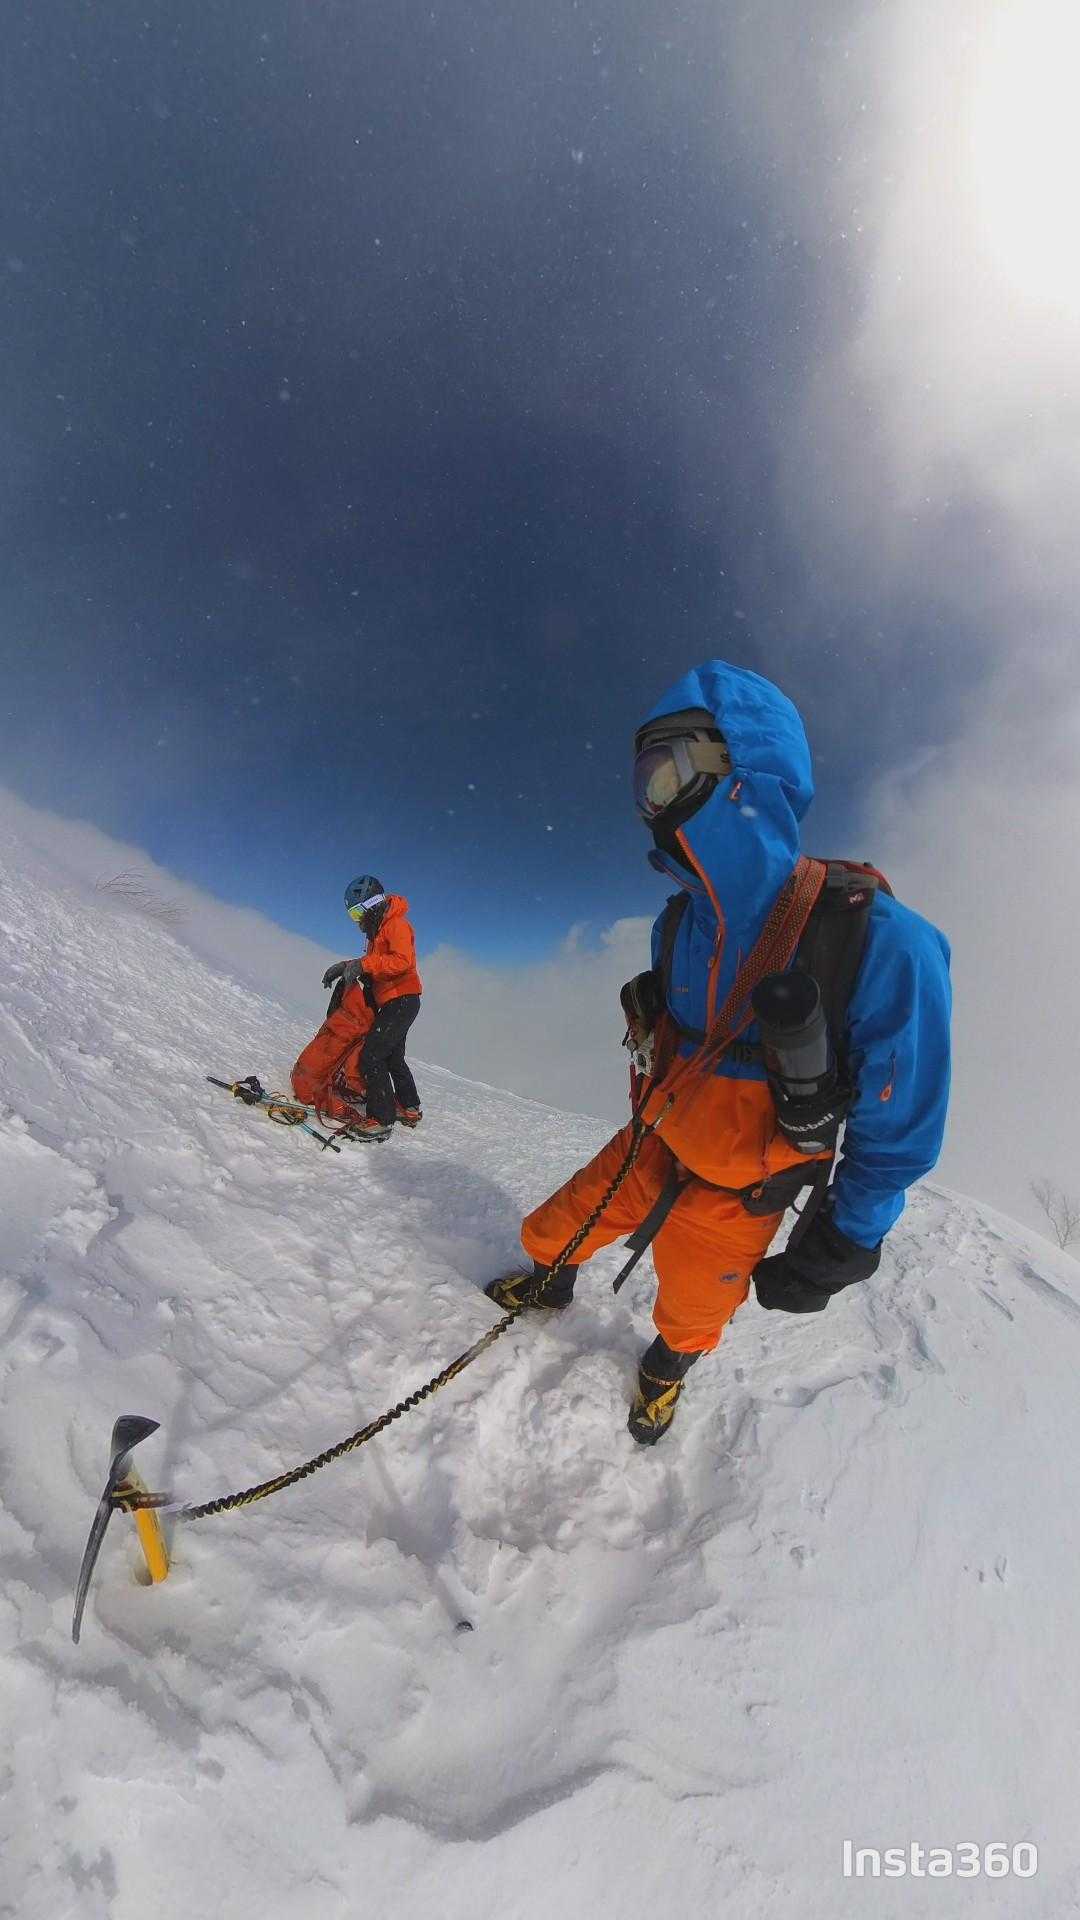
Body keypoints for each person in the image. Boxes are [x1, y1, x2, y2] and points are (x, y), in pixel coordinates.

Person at [486, 660, 951, 1444]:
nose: (652, 803)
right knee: (556, 1224)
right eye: (642, 785)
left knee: (695, 1310)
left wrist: (848, 1238)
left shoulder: (883, 941)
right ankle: (549, 1281)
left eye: (665, 774)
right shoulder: (678, 923)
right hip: (654, 1139)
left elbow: (898, 1128)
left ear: (740, 772)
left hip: (746, 1188)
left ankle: (665, 1371)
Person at [291, 875, 423, 1142]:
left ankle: (381, 1120)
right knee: (392, 1056)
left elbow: (402, 961)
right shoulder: (379, 930)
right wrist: (346, 966)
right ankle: (409, 1107)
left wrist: (363, 966)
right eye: (352, 915)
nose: (356, 921)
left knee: (371, 1056)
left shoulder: (396, 924)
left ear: (371, 905)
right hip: (396, 1001)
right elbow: (375, 960)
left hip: (402, 999)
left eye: (356, 913)